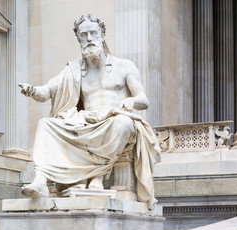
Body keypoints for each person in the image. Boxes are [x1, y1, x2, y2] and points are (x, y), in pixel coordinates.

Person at [18, 14, 160, 208]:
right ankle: (40, 180)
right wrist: (32, 91)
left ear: (102, 35)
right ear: (79, 39)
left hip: (114, 118)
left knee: (124, 123)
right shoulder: (75, 69)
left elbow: (144, 100)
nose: (90, 38)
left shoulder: (124, 66)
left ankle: (98, 176)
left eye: (94, 33)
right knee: (46, 124)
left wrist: (131, 101)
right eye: (84, 35)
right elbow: (47, 91)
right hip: (85, 121)